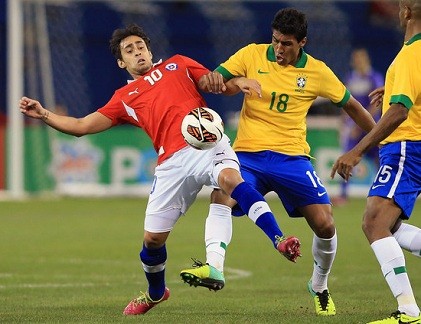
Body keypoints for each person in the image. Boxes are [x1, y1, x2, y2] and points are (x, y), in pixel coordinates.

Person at [19, 24, 301, 316]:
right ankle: (156, 293)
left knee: (231, 180)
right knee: (152, 240)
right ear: (121, 62)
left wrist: (235, 81)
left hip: (208, 142)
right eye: (129, 50)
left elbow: (212, 82)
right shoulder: (124, 98)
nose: (137, 51)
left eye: (140, 45)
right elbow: (81, 126)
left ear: (150, 49)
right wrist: (44, 114)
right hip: (171, 165)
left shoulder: (178, 63)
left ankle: (280, 239)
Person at [182, 8, 377, 317]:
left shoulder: (317, 71)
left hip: (292, 158)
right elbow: (216, 82)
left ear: (302, 42)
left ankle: (319, 285)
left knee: (325, 224)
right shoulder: (251, 54)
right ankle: (214, 267)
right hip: (247, 154)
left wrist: (378, 140)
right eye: (275, 41)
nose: (279, 49)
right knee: (221, 193)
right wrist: (235, 81)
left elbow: (352, 106)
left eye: (286, 43)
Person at [331, 0, 421, 323]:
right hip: (410, 147)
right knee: (390, 226)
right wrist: (396, 88)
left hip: (405, 147)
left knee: (374, 222)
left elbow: (399, 112)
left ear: (407, 13)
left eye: (400, 7)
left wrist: (357, 150)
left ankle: (409, 311)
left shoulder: (411, 54)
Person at [333, 47, 384, 206]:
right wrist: (343, 122)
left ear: (366, 60)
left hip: (370, 127)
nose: (357, 62)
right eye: (355, 59)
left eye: (359, 59)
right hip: (353, 127)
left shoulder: (374, 78)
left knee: (380, 161)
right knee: (347, 158)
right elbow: (346, 102)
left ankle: (383, 193)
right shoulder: (351, 78)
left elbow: (377, 104)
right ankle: (343, 194)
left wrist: (362, 124)